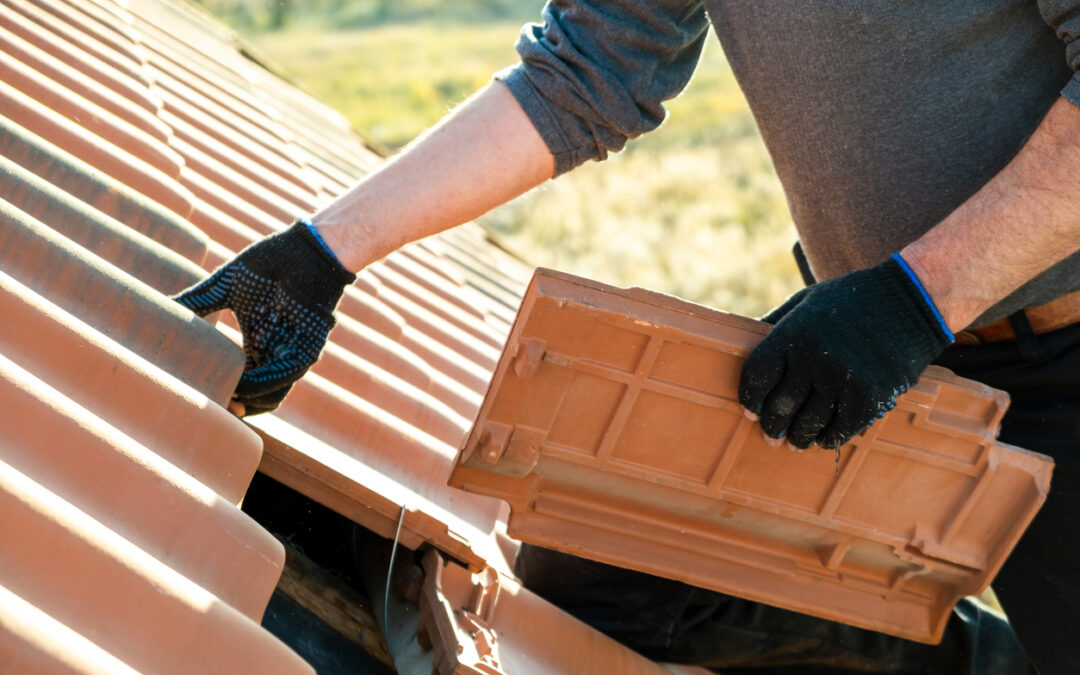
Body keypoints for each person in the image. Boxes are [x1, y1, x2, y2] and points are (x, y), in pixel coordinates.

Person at [174, 1, 1080, 672]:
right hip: (879, 339)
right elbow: (586, 70)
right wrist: (322, 254)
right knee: (610, 573)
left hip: (1021, 337)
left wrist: (916, 297)